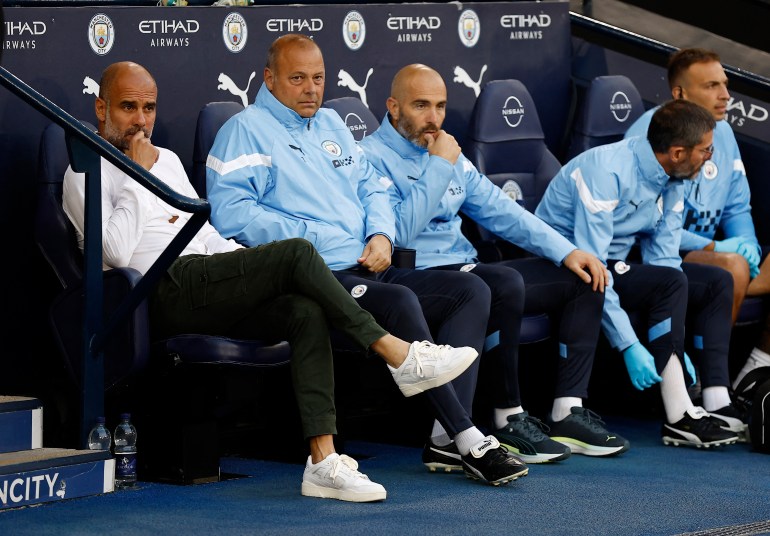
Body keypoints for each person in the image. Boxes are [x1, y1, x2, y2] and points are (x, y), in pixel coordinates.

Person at [62, 61, 483, 503]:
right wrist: (135, 174)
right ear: (101, 108)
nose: (141, 121)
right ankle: (398, 354)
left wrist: (251, 268)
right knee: (298, 251)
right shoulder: (86, 171)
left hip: (204, 281)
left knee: (304, 312)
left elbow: (202, 233)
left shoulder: (163, 159)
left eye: (148, 108)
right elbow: (115, 254)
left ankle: (323, 461)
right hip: (152, 294)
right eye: (128, 108)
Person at [206, 34, 527, 485]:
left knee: (470, 290)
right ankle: (470, 438)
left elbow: (371, 187)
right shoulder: (244, 129)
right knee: (399, 301)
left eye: (317, 78)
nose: (310, 89)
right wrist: (320, 238)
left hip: (370, 262)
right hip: (315, 274)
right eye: (297, 79)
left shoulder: (333, 122)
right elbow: (232, 215)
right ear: (269, 79)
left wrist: (381, 233)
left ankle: (442, 437)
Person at [358, 64, 629, 464]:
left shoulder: (449, 152)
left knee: (582, 277)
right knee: (499, 282)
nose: (433, 119)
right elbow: (397, 232)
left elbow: (503, 211)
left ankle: (566, 411)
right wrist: (439, 166)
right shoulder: (369, 157)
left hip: (465, 266)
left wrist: (566, 250)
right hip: (416, 273)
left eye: (441, 106)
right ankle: (499, 419)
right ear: (393, 107)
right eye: (421, 106)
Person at [535, 99, 740, 448]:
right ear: (677, 152)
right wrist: (629, 343)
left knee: (716, 280)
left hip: (611, 264)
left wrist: (673, 341)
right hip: (561, 265)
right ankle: (679, 414)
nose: (710, 157)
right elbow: (592, 268)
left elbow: (664, 260)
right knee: (660, 282)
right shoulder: (606, 170)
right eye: (706, 150)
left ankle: (717, 401)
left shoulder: (675, 177)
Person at [624, 48, 762, 428]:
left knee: (737, 264)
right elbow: (649, 224)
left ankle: (754, 369)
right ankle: (703, 385)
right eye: (711, 85)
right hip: (657, 254)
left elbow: (737, 209)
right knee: (730, 268)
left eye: (725, 84)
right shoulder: (651, 133)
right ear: (680, 94)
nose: (725, 95)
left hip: (712, 253)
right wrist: (720, 249)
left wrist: (746, 243)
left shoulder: (727, 134)